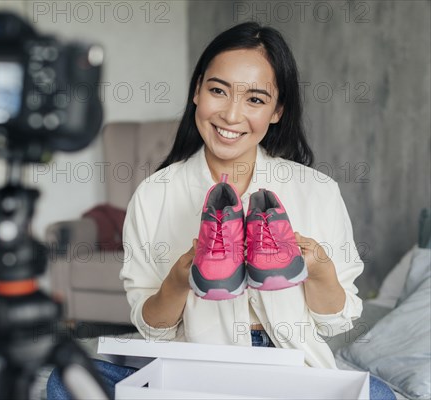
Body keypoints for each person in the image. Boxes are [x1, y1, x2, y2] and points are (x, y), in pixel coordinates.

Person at [47, 21, 396, 400]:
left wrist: (319, 269)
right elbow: (152, 327)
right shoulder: (154, 194)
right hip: (194, 365)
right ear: (197, 90)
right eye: (218, 91)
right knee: (66, 380)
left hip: (290, 370)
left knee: (377, 395)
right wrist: (180, 280)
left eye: (255, 100)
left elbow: (336, 322)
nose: (231, 115)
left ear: (277, 111)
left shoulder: (317, 191)